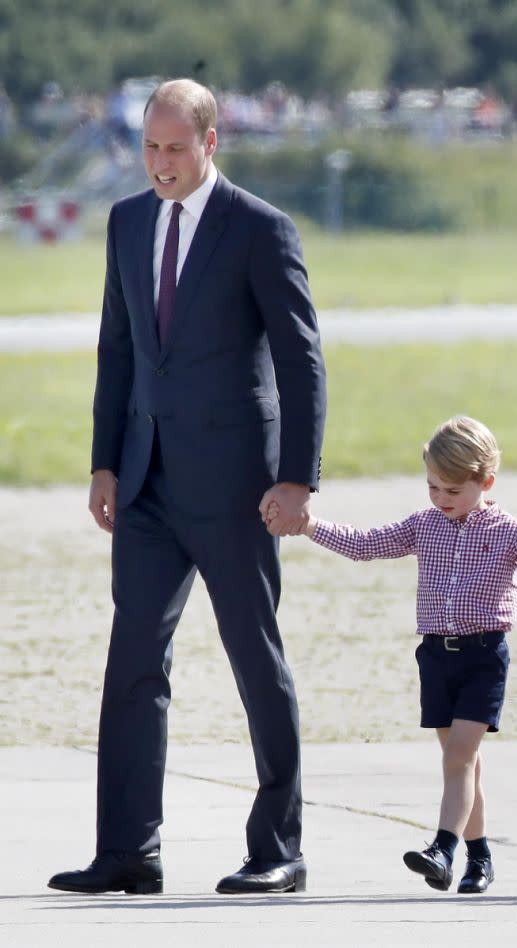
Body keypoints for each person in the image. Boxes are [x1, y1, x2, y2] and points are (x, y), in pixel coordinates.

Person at [47, 79, 326, 896]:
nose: (161, 164)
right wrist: (105, 461)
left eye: (176, 148)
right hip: (144, 483)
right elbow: (119, 348)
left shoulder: (260, 230)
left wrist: (298, 480)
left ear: (211, 143)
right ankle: (129, 850)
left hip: (239, 485)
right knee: (133, 660)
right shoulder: (127, 221)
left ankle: (280, 847)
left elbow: (302, 362)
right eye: (150, 148)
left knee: (254, 659)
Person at [271, 416, 517, 894]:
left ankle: (442, 849)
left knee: (460, 758)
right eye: (433, 488)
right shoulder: (424, 525)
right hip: (436, 658)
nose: (441, 500)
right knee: (463, 765)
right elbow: (367, 545)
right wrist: (311, 526)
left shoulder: (509, 531)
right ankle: (480, 858)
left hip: (484, 657)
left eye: (452, 491)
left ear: (485, 482)